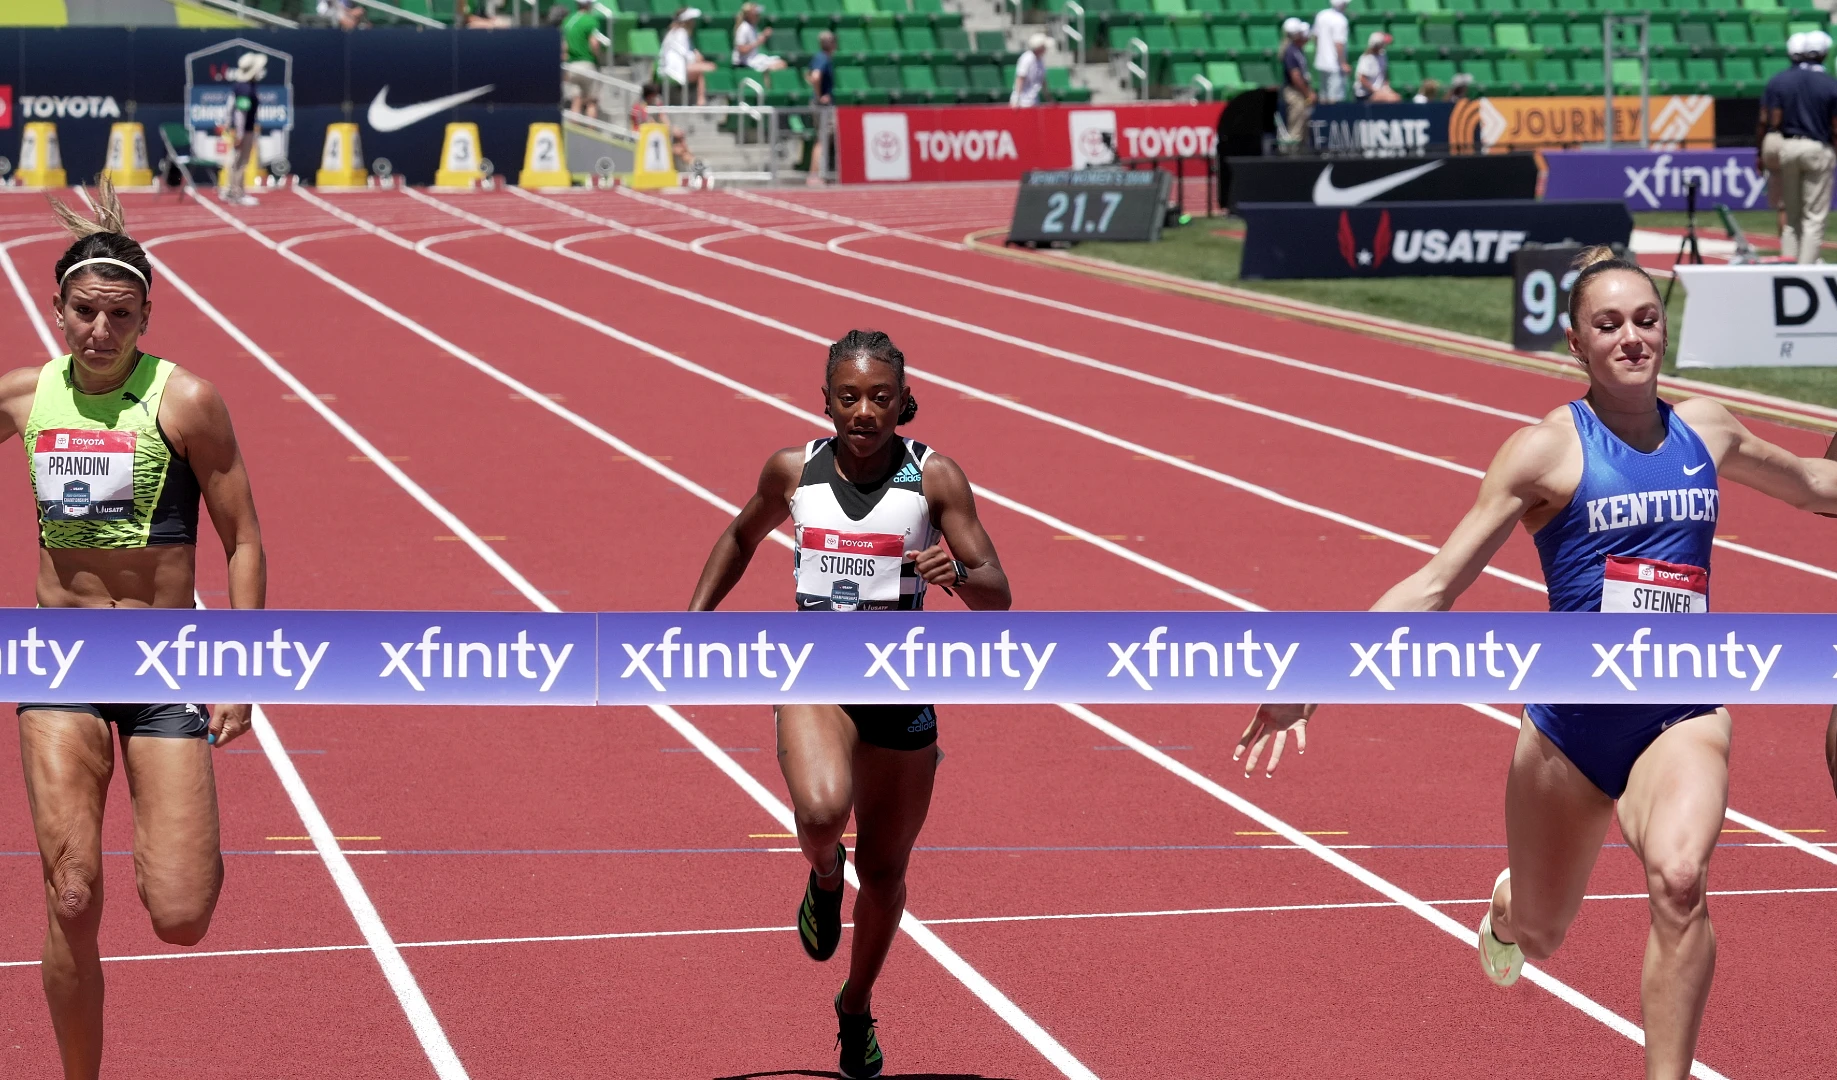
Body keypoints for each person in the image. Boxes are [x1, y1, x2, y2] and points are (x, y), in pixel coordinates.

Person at [1240, 247, 1837, 1080]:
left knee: (1677, 880)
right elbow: (1435, 585)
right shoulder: (1542, 454)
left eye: (1644, 320)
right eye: (1607, 325)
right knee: (1545, 929)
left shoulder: (1707, 429)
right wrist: (1314, 678)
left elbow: (1815, 483)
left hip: (1681, 711)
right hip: (1568, 728)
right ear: (1574, 344)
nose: (1630, 338)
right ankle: (1508, 907)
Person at [689, 330, 1010, 1080]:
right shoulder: (792, 470)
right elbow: (740, 536)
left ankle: (855, 1006)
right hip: (816, 674)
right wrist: (691, 620)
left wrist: (957, 572)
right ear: (825, 399)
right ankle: (823, 872)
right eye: (848, 396)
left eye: (879, 397)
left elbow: (998, 593)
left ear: (903, 402)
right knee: (823, 814)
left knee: (890, 871)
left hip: (899, 689)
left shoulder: (934, 478)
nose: (863, 410)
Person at [4, 179, 265, 1080]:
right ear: (57, 310)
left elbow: (244, 539)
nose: (100, 333)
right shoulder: (24, 396)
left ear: (148, 315)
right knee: (71, 892)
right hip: (60, 659)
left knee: (181, 913)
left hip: (164, 658)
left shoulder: (186, 401)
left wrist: (240, 669)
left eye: (121, 316)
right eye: (84, 313)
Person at [1759, 31, 1837, 262]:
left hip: (1788, 147)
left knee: (1791, 215)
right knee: (1814, 217)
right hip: (1816, 149)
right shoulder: (1830, 84)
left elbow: (1770, 119)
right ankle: (1806, 269)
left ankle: (1789, 261)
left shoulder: (1782, 80)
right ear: (1824, 53)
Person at [220, 52, 265, 207]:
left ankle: (230, 190)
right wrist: (239, 134)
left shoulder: (240, 86)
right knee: (240, 162)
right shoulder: (246, 88)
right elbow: (240, 113)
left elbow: (229, 107)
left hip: (240, 129)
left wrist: (228, 124)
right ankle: (237, 193)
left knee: (235, 161)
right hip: (244, 130)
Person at [660, 8, 718, 106]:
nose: (694, 22)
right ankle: (701, 100)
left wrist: (696, 56)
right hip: (675, 68)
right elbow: (684, 55)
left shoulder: (678, 32)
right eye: (691, 19)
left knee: (707, 67)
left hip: (679, 66)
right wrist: (696, 57)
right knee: (709, 67)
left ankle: (702, 98)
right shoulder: (680, 33)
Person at [631, 82, 695, 170]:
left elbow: (664, 118)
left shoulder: (656, 103)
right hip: (644, 138)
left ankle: (692, 161)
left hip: (658, 133)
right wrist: (667, 129)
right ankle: (693, 163)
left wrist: (672, 129)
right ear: (650, 95)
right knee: (678, 149)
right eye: (655, 95)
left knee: (679, 137)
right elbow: (648, 124)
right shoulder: (638, 107)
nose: (656, 97)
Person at [563, 0, 610, 119]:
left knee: (576, 100)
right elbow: (594, 43)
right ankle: (591, 133)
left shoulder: (568, 20)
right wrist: (598, 58)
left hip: (571, 66)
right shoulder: (590, 20)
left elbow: (564, 46)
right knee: (591, 102)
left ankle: (574, 135)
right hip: (586, 64)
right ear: (588, 5)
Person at [1279, 19, 1315, 153]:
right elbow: (1296, 76)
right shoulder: (1290, 51)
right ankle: (1292, 155)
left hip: (1300, 92)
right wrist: (1307, 93)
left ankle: (1301, 154)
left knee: (1304, 127)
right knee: (1296, 127)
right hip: (1295, 93)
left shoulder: (1297, 50)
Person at [807, 30, 837, 186]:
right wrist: (820, 96)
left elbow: (809, 76)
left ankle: (824, 172)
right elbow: (815, 77)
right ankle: (814, 174)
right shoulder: (822, 58)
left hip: (819, 104)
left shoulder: (819, 57)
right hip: (822, 106)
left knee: (826, 138)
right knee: (823, 140)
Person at [732, 3, 787, 82]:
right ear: (749, 14)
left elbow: (753, 41)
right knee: (777, 66)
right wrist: (758, 42)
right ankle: (767, 87)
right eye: (756, 13)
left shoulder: (752, 27)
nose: (758, 15)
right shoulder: (744, 28)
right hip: (745, 63)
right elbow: (742, 49)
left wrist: (763, 36)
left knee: (781, 63)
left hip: (754, 59)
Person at [1311, 0, 1351, 104]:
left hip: (1322, 62)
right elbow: (1339, 44)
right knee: (1335, 98)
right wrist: (1343, 63)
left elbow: (1315, 37)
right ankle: (1334, 119)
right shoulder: (1341, 20)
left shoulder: (1321, 15)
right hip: (1335, 65)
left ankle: (1325, 119)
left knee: (1324, 96)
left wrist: (1320, 51)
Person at [1355, 31, 1400, 103]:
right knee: (1393, 99)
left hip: (1380, 91)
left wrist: (1386, 88)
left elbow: (1385, 76)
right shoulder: (1366, 58)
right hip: (1366, 94)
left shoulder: (1383, 56)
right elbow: (1362, 79)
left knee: (1397, 97)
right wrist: (1375, 90)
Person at [1011, 33, 1049, 107]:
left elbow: (1043, 81)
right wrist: (1017, 99)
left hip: (1034, 100)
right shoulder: (1026, 58)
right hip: (1022, 102)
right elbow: (1020, 79)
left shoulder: (1040, 60)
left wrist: (1048, 98)